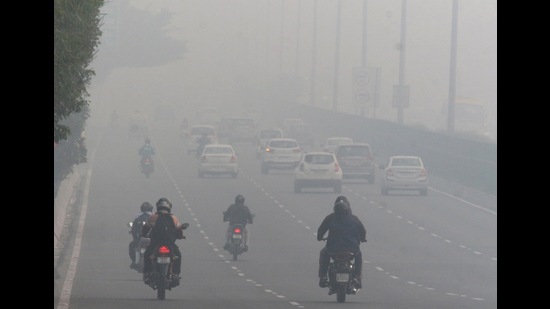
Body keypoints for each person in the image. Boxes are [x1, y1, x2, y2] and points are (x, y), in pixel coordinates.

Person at [317, 195, 366, 289]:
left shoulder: (330, 218)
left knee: (324, 254)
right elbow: (363, 231)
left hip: (333, 249)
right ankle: (357, 276)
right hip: (352, 248)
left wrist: (319, 237)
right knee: (358, 256)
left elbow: (321, 230)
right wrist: (363, 239)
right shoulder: (354, 219)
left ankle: (323, 276)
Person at [141, 197, 188, 284]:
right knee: (178, 255)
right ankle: (176, 274)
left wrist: (143, 235)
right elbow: (179, 230)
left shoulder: (153, 217)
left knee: (147, 254)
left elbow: (145, 228)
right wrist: (180, 236)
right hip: (170, 244)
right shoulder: (174, 218)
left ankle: (147, 274)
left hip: (155, 244)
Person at [128, 202, 154, 269]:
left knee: (132, 246)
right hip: (152, 239)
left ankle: (134, 261)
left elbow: (134, 229)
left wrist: (136, 238)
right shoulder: (155, 217)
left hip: (141, 239)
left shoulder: (138, 217)